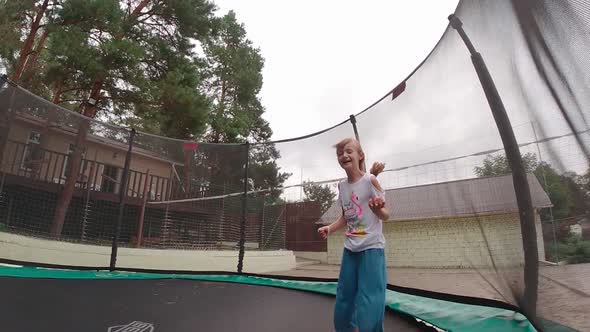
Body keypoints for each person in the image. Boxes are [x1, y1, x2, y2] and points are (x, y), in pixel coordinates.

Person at [318, 137, 389, 332]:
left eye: (349, 151)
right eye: (340, 153)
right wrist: (330, 228)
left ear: (360, 156)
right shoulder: (342, 187)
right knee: (343, 297)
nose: (344, 155)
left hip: (372, 248)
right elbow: (346, 216)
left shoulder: (370, 181)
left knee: (370, 300)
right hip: (350, 249)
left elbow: (386, 215)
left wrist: (377, 211)